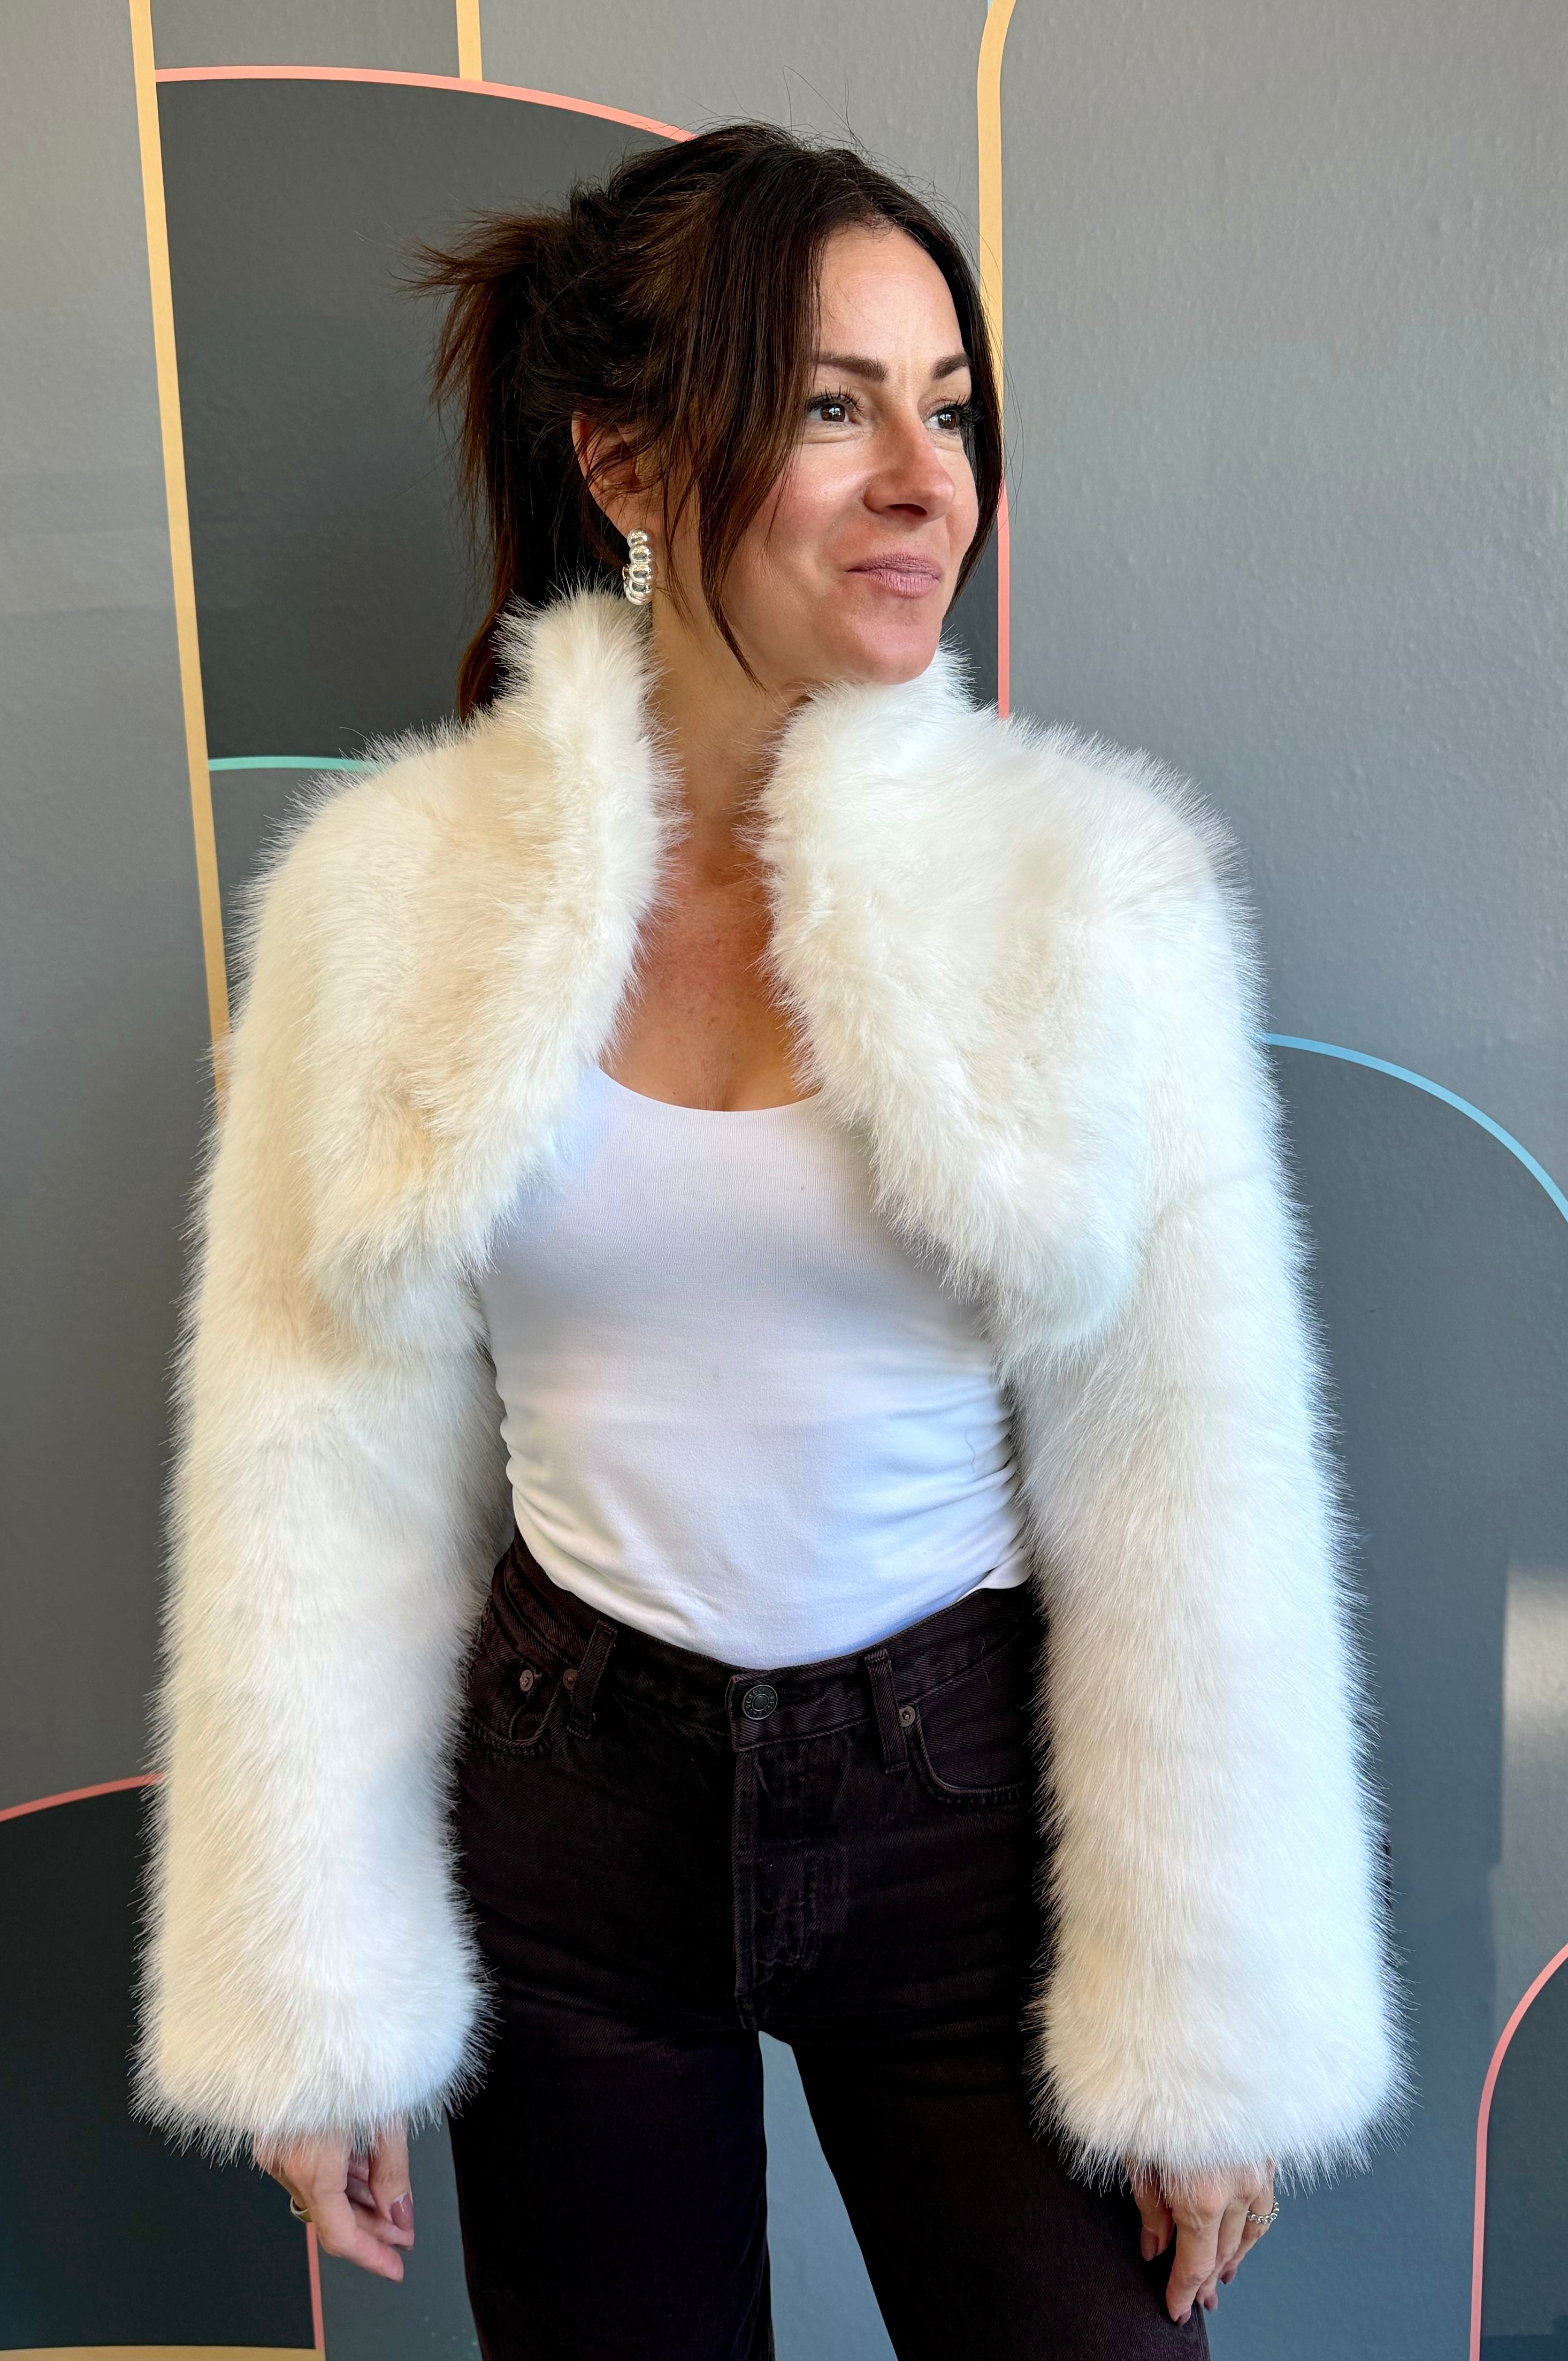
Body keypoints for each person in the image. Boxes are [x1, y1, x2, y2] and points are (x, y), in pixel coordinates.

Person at [134, 124, 1401, 2359]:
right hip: (568, 1813)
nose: (926, 481)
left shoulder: (1090, 887)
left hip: (963, 1813)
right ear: (626, 457)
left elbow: (1190, 1477)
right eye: (833, 405)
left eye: (950, 408)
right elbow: (311, 1468)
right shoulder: (390, 894)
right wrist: (307, 1984)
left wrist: (1214, 2017)